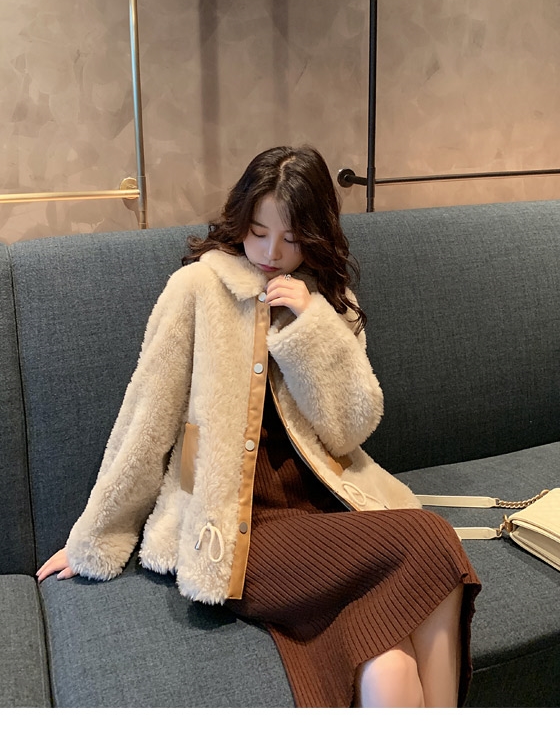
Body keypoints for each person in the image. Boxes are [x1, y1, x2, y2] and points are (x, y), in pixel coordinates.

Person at [37, 145, 481, 708]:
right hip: (235, 525)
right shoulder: (198, 289)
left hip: (326, 511)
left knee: (390, 668)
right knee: (434, 541)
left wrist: (311, 326)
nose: (272, 253)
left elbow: (349, 430)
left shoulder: (329, 301)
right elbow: (146, 419)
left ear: (315, 235)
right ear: (240, 219)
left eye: (292, 238)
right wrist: (95, 538)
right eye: (259, 231)